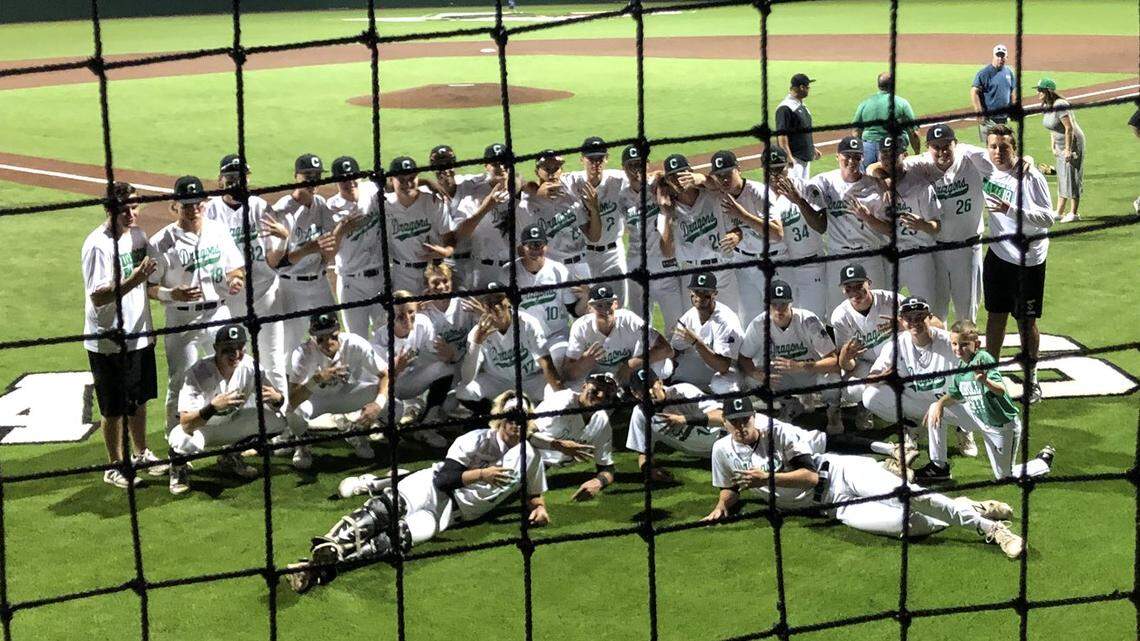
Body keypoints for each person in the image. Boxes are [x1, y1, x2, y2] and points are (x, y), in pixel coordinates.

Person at [287, 390, 549, 594]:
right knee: (382, 510)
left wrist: (539, 507)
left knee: (395, 540)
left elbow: (534, 492)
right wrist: (482, 474)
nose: (516, 425)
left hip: (448, 515)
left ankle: (319, 568)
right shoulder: (475, 439)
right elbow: (446, 478)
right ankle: (328, 546)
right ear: (501, 418)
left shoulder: (530, 456)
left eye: (521, 420)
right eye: (511, 419)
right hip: (430, 487)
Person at [705, 396, 1026, 559]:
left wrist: (767, 480)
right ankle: (971, 507)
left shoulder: (780, 433)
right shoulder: (721, 450)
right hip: (836, 508)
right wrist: (723, 505)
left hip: (844, 476)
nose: (742, 425)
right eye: (735, 421)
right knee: (911, 525)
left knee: (915, 497)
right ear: (726, 423)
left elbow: (812, 477)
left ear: (753, 416)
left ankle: (993, 530)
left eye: (745, 418)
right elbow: (730, 486)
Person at [82, 181, 165, 488]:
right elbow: (99, 296)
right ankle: (115, 466)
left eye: (135, 206)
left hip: (139, 333)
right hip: (109, 338)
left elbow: (147, 287)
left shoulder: (140, 236)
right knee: (113, 407)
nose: (131, 213)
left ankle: (141, 452)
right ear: (109, 210)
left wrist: (150, 325)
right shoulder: (97, 245)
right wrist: (134, 279)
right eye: (124, 209)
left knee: (139, 399)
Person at [149, 176, 245, 438]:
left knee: (230, 377)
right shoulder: (161, 242)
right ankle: (177, 448)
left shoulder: (218, 230)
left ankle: (229, 446)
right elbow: (149, 287)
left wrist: (236, 280)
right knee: (180, 383)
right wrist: (173, 294)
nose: (193, 210)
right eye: (187, 205)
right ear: (175, 206)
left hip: (218, 314)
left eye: (198, 204)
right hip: (183, 321)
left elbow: (235, 267)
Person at [921, 319, 1056, 481]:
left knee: (1005, 476)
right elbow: (956, 394)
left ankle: (1042, 463)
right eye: (955, 344)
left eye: (964, 344)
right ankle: (938, 467)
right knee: (935, 408)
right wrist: (940, 403)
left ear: (976, 345)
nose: (958, 349)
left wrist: (985, 380)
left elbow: (1000, 390)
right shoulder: (962, 366)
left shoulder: (983, 359)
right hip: (977, 416)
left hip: (1000, 425)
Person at [205, 154, 290, 406]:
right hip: (227, 302)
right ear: (220, 180)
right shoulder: (209, 211)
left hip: (265, 297)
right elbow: (205, 258)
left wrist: (284, 239)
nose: (236, 182)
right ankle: (241, 419)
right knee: (231, 364)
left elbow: (273, 260)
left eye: (240, 177)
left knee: (271, 359)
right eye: (230, 178)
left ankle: (279, 422)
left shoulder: (260, 207)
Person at [980, 125, 1055, 403]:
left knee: (1026, 322)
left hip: (1029, 261)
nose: (998, 152)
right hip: (999, 256)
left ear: (1015, 148)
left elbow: (1048, 218)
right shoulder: (984, 166)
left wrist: (1011, 210)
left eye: (1004, 147)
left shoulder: (1030, 176)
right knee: (995, 317)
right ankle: (991, 376)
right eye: (993, 146)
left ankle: (1031, 379)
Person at [168, 324, 287, 494]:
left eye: (240, 348)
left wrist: (278, 399)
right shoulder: (197, 373)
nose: (235, 354)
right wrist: (213, 407)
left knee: (278, 421)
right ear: (216, 348)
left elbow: (274, 402)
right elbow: (186, 424)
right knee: (183, 441)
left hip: (231, 423)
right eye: (228, 349)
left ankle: (230, 456)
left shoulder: (250, 367)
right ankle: (178, 468)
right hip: (202, 429)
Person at [860, 296, 978, 462]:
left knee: (974, 404)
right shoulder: (895, 345)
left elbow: (974, 372)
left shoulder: (950, 341)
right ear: (901, 320)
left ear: (930, 317)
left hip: (951, 402)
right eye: (909, 318)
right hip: (917, 401)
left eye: (920, 317)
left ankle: (964, 429)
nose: (915, 322)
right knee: (870, 396)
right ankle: (914, 425)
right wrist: (884, 376)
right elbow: (869, 381)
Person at [895, 124, 986, 323]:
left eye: (946, 146)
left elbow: (1005, 160)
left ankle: (967, 351)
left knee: (966, 311)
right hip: (935, 250)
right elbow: (880, 166)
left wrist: (1027, 160)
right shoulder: (920, 164)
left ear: (956, 144)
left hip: (966, 246)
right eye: (936, 147)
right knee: (935, 311)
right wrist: (877, 176)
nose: (942, 151)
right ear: (928, 148)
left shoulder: (972, 157)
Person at [283, 312, 393, 469]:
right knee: (292, 412)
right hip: (315, 400)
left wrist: (377, 405)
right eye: (321, 337)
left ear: (339, 330)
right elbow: (292, 400)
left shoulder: (354, 343)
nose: (328, 342)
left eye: (332, 336)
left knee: (392, 404)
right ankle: (302, 440)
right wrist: (317, 379)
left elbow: (385, 374)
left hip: (343, 394)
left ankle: (357, 430)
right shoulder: (303, 353)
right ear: (313, 336)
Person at [738, 280, 845, 432]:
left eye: (783, 304)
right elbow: (743, 358)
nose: (779, 309)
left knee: (832, 377)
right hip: (782, 376)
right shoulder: (759, 324)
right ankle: (789, 404)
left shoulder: (808, 320)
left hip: (810, 372)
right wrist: (758, 374)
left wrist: (801, 366)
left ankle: (833, 411)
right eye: (774, 304)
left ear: (791, 303)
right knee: (749, 378)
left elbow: (834, 361)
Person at [799, 136, 888, 309]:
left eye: (856, 157)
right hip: (838, 256)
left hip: (869, 255)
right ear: (837, 156)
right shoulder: (824, 181)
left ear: (862, 158)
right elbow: (809, 195)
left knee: (877, 309)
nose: (852, 161)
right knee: (836, 312)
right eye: (847, 156)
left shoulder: (876, 186)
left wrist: (868, 217)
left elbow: (890, 230)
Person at [656, 153, 742, 315]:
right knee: (696, 328)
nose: (678, 180)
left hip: (722, 270)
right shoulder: (667, 210)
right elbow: (667, 252)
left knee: (732, 323)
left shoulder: (714, 196)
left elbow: (723, 184)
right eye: (672, 177)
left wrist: (702, 179)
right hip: (691, 274)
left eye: (682, 174)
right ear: (667, 181)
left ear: (691, 173)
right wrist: (668, 216)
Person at [706, 149, 785, 324]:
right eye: (719, 175)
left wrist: (742, 215)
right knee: (749, 322)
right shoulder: (721, 194)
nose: (724, 179)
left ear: (738, 169)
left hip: (768, 265)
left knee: (778, 318)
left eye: (728, 173)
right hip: (742, 264)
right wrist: (737, 234)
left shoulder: (758, 192)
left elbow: (777, 233)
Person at [457, 284, 562, 409]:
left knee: (554, 391)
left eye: (499, 301)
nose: (495, 307)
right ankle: (493, 417)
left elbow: (545, 362)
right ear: (483, 306)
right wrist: (476, 343)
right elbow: (467, 378)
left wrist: (560, 395)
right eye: (489, 303)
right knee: (464, 391)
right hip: (498, 382)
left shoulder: (526, 322)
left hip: (530, 380)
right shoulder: (477, 332)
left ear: (508, 302)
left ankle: (536, 418)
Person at [370, 292, 452, 447]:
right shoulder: (381, 339)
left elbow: (435, 352)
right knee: (397, 412)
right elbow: (380, 380)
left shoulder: (422, 323)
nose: (407, 319)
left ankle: (426, 426)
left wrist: (448, 354)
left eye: (411, 312)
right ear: (390, 316)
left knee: (445, 369)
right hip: (386, 388)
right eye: (401, 315)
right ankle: (378, 424)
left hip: (409, 381)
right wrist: (396, 368)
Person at [619, 144, 686, 330]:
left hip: (664, 261)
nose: (635, 170)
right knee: (639, 325)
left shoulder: (659, 186)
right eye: (631, 165)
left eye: (639, 164)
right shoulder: (621, 196)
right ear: (623, 168)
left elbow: (680, 187)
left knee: (677, 324)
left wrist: (662, 178)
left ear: (647, 164)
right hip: (635, 263)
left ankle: (677, 358)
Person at [867, 134, 941, 302]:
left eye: (893, 154)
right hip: (889, 260)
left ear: (904, 155)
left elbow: (936, 226)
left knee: (926, 308)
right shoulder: (874, 185)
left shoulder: (921, 186)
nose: (888, 159)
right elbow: (870, 169)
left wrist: (922, 224)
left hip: (918, 257)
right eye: (884, 154)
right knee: (886, 312)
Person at [830, 263, 899, 430]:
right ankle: (865, 406)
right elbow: (847, 365)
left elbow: (932, 323)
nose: (854, 292)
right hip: (867, 363)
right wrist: (846, 357)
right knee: (852, 392)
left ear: (869, 283)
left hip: (897, 360)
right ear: (842, 290)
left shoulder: (891, 300)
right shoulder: (840, 317)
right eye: (848, 288)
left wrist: (902, 324)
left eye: (859, 286)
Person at [760, 147, 828, 319]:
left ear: (788, 166)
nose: (775, 174)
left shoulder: (807, 188)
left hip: (811, 267)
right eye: (771, 169)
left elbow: (821, 226)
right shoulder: (758, 196)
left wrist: (798, 200)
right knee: (786, 321)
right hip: (781, 270)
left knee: (813, 320)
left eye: (780, 168)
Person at [508, 224, 584, 374]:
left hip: (556, 336)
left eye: (539, 244)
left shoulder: (559, 270)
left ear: (546, 246)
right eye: (531, 245)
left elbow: (574, 312)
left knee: (558, 361)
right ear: (522, 247)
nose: (535, 249)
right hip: (526, 340)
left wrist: (586, 297)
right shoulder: (509, 272)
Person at [531, 373, 621, 500]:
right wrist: (558, 445)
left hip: (542, 470)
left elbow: (608, 468)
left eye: (607, 394)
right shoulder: (561, 403)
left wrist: (598, 482)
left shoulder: (601, 419)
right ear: (584, 387)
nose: (600, 396)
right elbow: (522, 433)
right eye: (595, 390)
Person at [626, 367, 725, 481]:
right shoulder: (640, 415)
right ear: (634, 393)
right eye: (643, 389)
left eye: (651, 385)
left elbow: (722, 416)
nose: (650, 392)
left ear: (660, 382)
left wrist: (684, 419)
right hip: (707, 454)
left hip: (728, 438)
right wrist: (650, 470)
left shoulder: (683, 392)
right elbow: (644, 452)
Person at [564, 284, 673, 386]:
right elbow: (568, 374)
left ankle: (652, 389)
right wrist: (583, 362)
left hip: (630, 371)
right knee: (572, 382)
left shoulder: (629, 319)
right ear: (589, 308)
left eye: (608, 303)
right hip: (597, 376)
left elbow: (667, 349)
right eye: (599, 305)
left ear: (616, 304)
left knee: (660, 363)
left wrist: (630, 365)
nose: (605, 309)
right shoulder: (580, 327)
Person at [326, 155, 384, 337]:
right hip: (351, 283)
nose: (349, 182)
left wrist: (427, 183)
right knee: (356, 339)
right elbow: (328, 254)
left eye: (352, 177)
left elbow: (399, 185)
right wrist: (340, 231)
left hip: (381, 278)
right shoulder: (330, 208)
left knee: (386, 335)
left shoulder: (372, 190)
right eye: (343, 178)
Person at [380, 156, 456, 294]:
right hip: (402, 274)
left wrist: (446, 252)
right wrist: (426, 181)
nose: (407, 183)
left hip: (433, 272)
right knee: (406, 314)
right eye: (401, 180)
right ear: (391, 180)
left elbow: (449, 239)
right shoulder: (384, 206)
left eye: (411, 178)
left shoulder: (433, 203)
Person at [566, 136, 628, 305]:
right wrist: (540, 188)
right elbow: (536, 185)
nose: (596, 163)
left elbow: (646, 178)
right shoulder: (571, 181)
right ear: (582, 159)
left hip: (613, 254)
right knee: (587, 308)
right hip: (585, 257)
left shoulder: (619, 179)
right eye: (591, 159)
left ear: (607, 159)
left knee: (619, 306)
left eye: (600, 158)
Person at [518, 149, 591, 285]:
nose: (552, 172)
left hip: (581, 264)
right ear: (537, 172)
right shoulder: (526, 205)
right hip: (551, 268)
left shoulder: (572, 194)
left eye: (556, 168)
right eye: (547, 168)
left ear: (562, 170)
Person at [452, 143, 515, 289]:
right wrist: (487, 206)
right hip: (484, 269)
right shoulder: (473, 194)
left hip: (516, 267)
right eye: (495, 163)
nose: (501, 167)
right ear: (486, 165)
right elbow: (460, 235)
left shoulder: (521, 192)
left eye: (505, 162)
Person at [669, 272, 743, 394]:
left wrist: (696, 342)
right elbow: (676, 349)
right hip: (700, 365)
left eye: (705, 292)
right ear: (690, 293)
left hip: (728, 371)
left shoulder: (726, 320)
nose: (700, 296)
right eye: (697, 291)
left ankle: (727, 408)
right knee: (663, 365)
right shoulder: (688, 317)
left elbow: (723, 366)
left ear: (715, 294)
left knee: (724, 386)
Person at [1035, 78, 1086, 222]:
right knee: (1062, 176)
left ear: (1048, 91)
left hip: (1073, 143)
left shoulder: (1060, 105)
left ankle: (1074, 213)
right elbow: (1052, 128)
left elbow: (1069, 128)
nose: (1038, 93)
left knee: (1072, 176)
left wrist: (1068, 150)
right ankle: (1059, 211)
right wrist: (1053, 145)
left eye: (1040, 90)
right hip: (1060, 145)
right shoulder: (1047, 105)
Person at [851, 72, 921, 169]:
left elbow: (855, 131)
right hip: (892, 149)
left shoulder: (865, 104)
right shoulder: (902, 103)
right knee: (896, 181)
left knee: (869, 181)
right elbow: (914, 133)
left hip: (868, 148)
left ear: (878, 85)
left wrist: (859, 151)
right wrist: (917, 153)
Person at [775, 73, 820, 180]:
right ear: (801, 87)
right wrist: (788, 156)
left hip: (804, 159)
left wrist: (812, 147)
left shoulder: (802, 106)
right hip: (795, 160)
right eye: (808, 87)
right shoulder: (785, 107)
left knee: (803, 191)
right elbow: (782, 135)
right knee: (793, 191)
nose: (809, 89)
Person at [971, 44, 1016, 142]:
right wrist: (979, 111)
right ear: (994, 56)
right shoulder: (984, 73)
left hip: (1004, 118)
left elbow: (1012, 91)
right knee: (991, 146)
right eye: (998, 56)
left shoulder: (1009, 72)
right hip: (989, 118)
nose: (1000, 58)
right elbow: (974, 91)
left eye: (1002, 56)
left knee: (1003, 145)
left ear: (1006, 57)